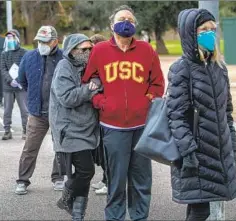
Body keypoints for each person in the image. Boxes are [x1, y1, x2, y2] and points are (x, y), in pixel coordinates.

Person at [82, 5, 165, 221]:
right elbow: (87, 82)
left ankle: (139, 216)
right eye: (121, 19)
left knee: (141, 179)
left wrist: (145, 102)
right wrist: (102, 102)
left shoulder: (147, 50)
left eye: (130, 19)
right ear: (112, 26)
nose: (126, 22)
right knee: (116, 180)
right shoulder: (99, 51)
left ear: (135, 26)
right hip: (112, 127)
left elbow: (157, 84)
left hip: (141, 127)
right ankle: (115, 217)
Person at [166, 8, 236, 221]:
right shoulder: (182, 69)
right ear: (190, 33)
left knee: (206, 209)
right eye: (204, 30)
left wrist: (232, 146)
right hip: (196, 154)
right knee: (200, 210)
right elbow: (176, 116)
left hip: (219, 151)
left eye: (213, 29)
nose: (210, 34)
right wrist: (188, 151)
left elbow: (226, 112)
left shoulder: (219, 67)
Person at [50, 33, 102, 220]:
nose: (88, 52)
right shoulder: (64, 67)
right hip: (70, 130)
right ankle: (65, 197)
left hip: (88, 129)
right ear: (72, 50)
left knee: (83, 174)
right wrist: (91, 88)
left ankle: (78, 214)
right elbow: (67, 97)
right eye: (84, 49)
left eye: (90, 49)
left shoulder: (90, 66)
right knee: (86, 171)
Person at [15, 26, 65, 195]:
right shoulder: (29, 57)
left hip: (59, 112)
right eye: (39, 42)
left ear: (55, 42)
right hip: (37, 112)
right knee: (30, 148)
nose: (41, 44)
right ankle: (22, 180)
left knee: (60, 147)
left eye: (45, 42)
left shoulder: (64, 58)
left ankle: (58, 177)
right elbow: (22, 81)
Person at [88, 33, 108, 196]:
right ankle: (105, 178)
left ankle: (109, 181)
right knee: (101, 151)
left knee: (107, 152)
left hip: (107, 114)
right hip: (98, 114)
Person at [0, 29, 28, 140]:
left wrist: (19, 80)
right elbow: (3, 69)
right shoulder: (4, 53)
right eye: (8, 38)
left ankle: (26, 130)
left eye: (12, 37)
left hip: (21, 87)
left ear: (17, 39)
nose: (10, 40)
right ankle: (7, 131)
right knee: (7, 110)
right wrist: (10, 80)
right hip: (8, 87)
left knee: (24, 110)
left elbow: (25, 68)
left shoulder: (24, 52)